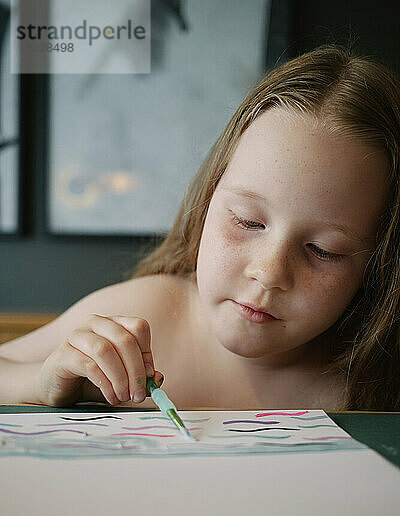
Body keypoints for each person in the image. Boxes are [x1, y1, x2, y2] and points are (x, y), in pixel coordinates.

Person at [1, 44, 399, 411]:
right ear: (208, 199)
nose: (269, 273)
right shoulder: (146, 314)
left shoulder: (376, 380)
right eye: (248, 221)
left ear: (378, 264)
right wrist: (40, 383)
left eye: (322, 250)